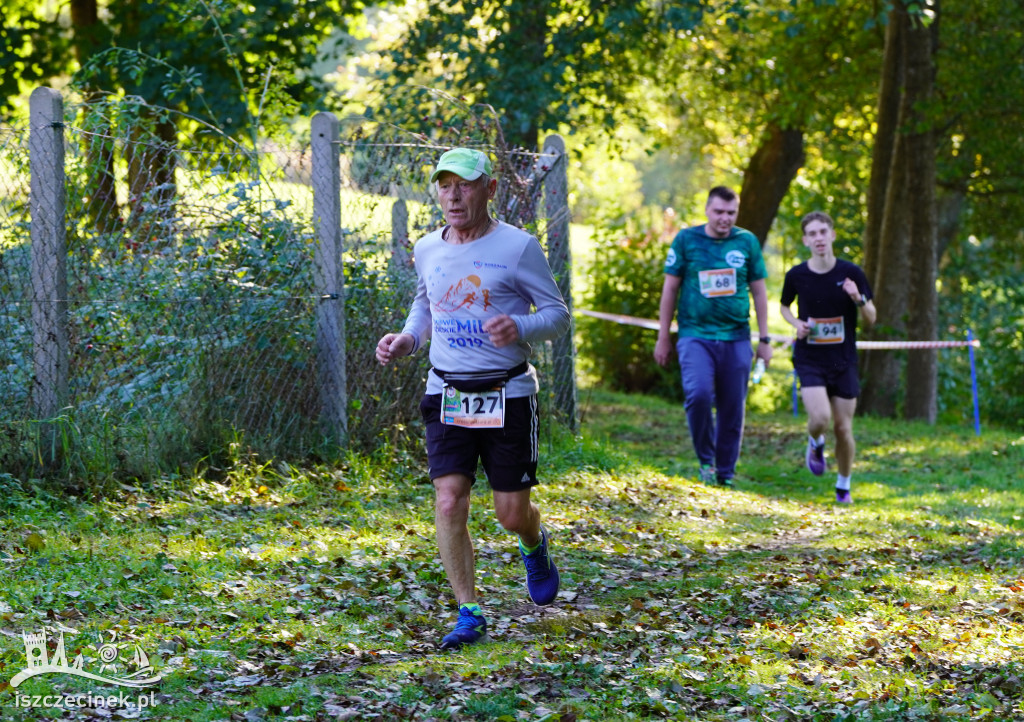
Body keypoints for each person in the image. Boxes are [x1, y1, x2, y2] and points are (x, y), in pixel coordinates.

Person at [375, 147, 571, 650]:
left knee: (510, 513)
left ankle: (534, 542)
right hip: (447, 392)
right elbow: (426, 304)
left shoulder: (518, 247)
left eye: (464, 184)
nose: (454, 195)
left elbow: (556, 314)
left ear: (489, 188)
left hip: (507, 393)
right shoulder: (427, 248)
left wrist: (520, 325)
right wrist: (407, 340)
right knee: (448, 499)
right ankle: (469, 611)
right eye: (445, 185)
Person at [654, 186, 773, 487]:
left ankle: (725, 472)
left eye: (731, 213)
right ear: (707, 209)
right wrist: (663, 336)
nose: (725, 218)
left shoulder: (746, 242)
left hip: (737, 338)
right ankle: (706, 461)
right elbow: (670, 289)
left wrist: (765, 339)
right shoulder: (686, 240)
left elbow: (759, 291)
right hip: (695, 335)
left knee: (733, 406)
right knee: (699, 396)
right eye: (719, 211)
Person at [779, 211, 876, 504]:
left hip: (843, 360)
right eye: (813, 233)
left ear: (832, 235)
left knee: (843, 428)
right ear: (806, 240)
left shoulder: (852, 274)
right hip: (810, 357)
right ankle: (815, 442)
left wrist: (857, 298)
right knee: (820, 418)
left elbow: (871, 318)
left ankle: (843, 485)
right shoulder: (797, 275)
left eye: (823, 232)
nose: (819, 238)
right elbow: (784, 307)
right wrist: (797, 325)